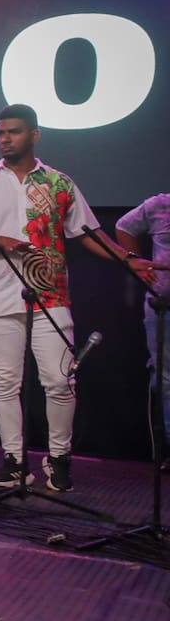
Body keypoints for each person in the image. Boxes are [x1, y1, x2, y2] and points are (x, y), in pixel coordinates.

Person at [0, 103, 152, 491]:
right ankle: (13, 460)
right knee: (5, 382)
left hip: (51, 295)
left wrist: (127, 259)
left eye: (13, 132)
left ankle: (59, 459)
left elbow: (88, 232)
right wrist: (5, 242)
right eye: (0, 132)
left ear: (34, 135)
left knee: (61, 381)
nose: (5, 139)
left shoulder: (59, 183)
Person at [116, 193, 170, 473]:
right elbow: (124, 227)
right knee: (165, 379)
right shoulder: (161, 204)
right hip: (163, 307)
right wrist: (136, 262)